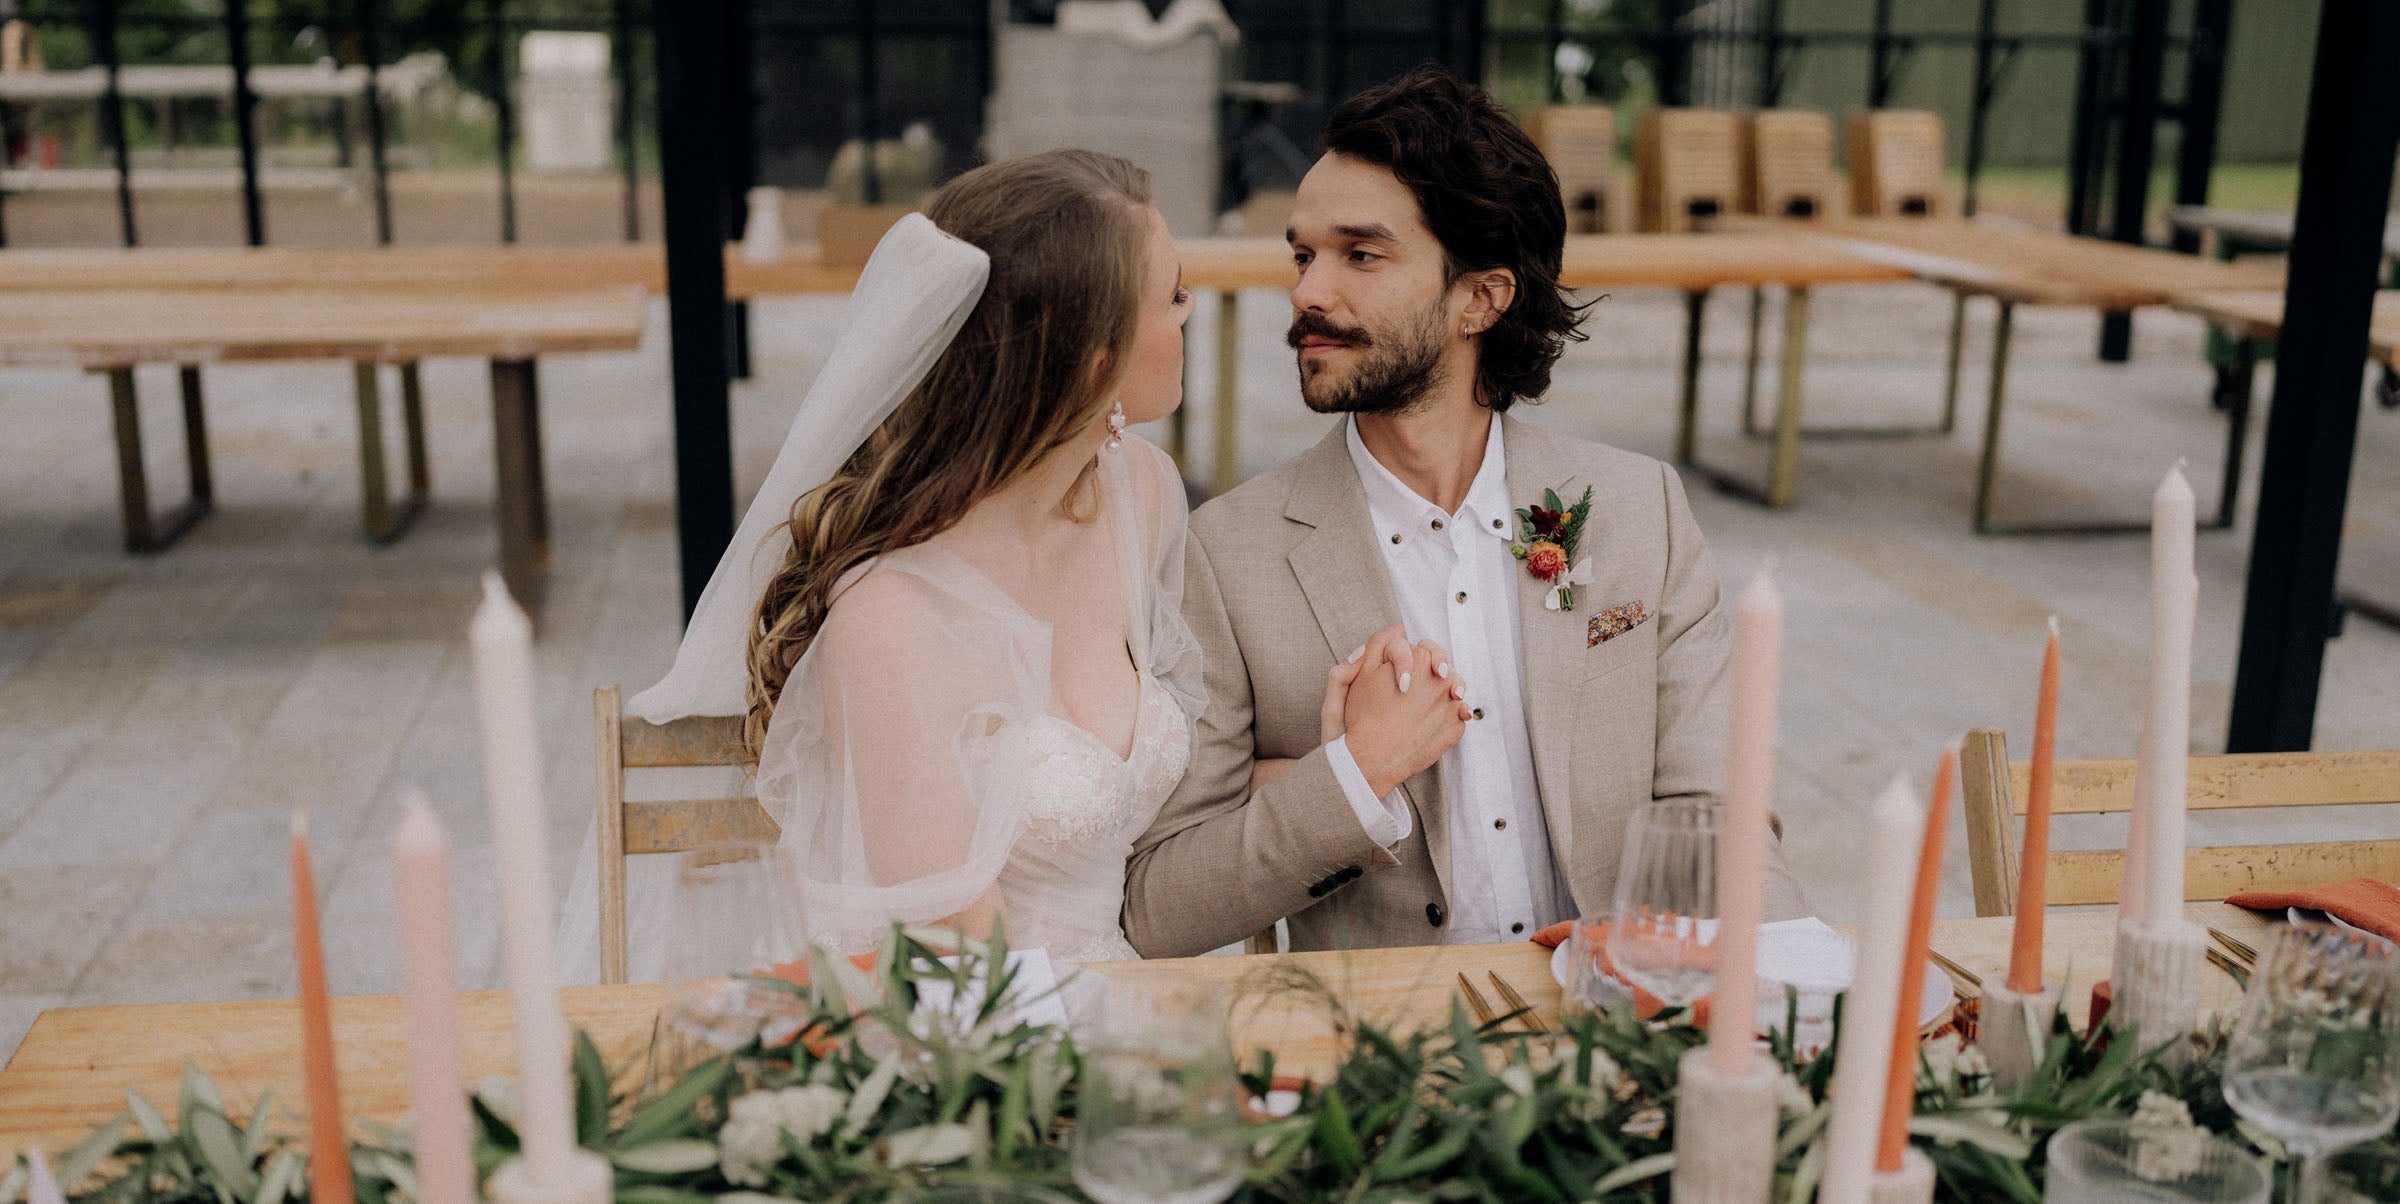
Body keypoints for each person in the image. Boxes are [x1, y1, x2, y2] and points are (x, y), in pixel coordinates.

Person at [605, 149, 1402, 971]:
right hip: (982, 1044)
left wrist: (1342, 763)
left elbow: (1165, 800)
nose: (1191, 311)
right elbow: (959, 968)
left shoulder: (1143, 496)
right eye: (1170, 297)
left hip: (1131, 994)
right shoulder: (890, 621)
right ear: (1094, 364)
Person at [1122, 65, 1808, 958]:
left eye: (1360, 255)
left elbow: (1721, 820)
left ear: (1481, 297)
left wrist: (1793, 990)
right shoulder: (1228, 552)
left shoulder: (1639, 511)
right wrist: (1353, 777)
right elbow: (1160, 905)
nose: (1307, 293)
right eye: (1303, 255)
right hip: (1386, 1062)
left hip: (1615, 1023)